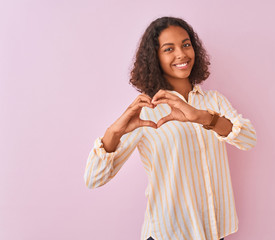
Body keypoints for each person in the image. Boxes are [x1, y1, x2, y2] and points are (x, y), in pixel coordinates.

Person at [84, 16, 257, 240]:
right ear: (154, 58)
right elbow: (94, 178)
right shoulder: (145, 111)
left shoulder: (213, 102)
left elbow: (248, 139)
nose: (181, 54)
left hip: (213, 232)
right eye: (169, 49)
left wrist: (201, 117)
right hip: (169, 234)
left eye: (186, 44)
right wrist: (113, 133)